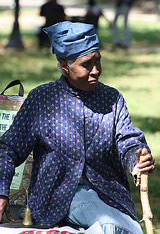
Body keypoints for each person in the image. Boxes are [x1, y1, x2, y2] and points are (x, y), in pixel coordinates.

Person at [0, 21, 156, 234]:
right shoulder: (42, 99)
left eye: (98, 61)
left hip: (110, 194)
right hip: (54, 197)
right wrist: (2, 191)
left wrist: (136, 160)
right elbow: (8, 149)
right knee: (110, 226)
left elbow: (127, 140)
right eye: (86, 64)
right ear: (65, 65)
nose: (96, 71)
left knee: (120, 227)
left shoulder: (112, 98)